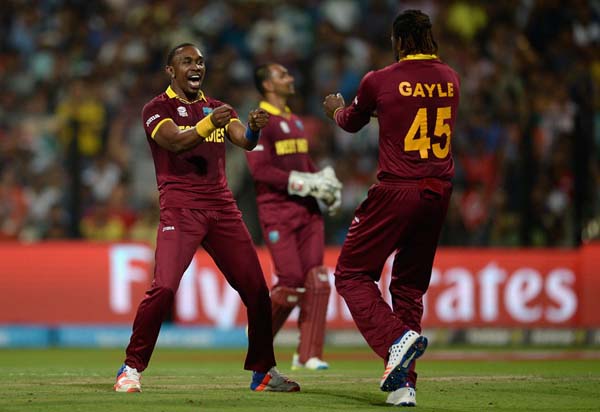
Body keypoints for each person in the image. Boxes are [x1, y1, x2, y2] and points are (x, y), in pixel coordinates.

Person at [114, 43, 300, 393]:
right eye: (187, 62)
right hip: (181, 211)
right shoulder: (157, 108)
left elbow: (243, 141)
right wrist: (205, 124)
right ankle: (131, 368)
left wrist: (254, 128)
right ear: (171, 71)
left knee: (258, 292)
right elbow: (176, 142)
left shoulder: (217, 108)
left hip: (223, 210)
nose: (195, 66)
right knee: (164, 287)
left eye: (200, 61)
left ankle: (263, 372)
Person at [323, 10, 460, 407]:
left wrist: (334, 108)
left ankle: (396, 341)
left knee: (350, 273)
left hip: (398, 189)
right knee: (408, 286)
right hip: (439, 192)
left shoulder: (379, 80)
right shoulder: (451, 79)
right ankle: (404, 385)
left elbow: (351, 122)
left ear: (399, 41)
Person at [246, 63, 342, 370]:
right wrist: (303, 182)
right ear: (268, 85)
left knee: (318, 279)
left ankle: (309, 354)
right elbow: (260, 171)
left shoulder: (294, 120)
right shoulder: (260, 120)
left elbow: (302, 162)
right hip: (278, 210)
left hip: (308, 211)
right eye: (283, 75)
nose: (290, 77)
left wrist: (323, 181)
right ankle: (259, 336)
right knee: (289, 283)